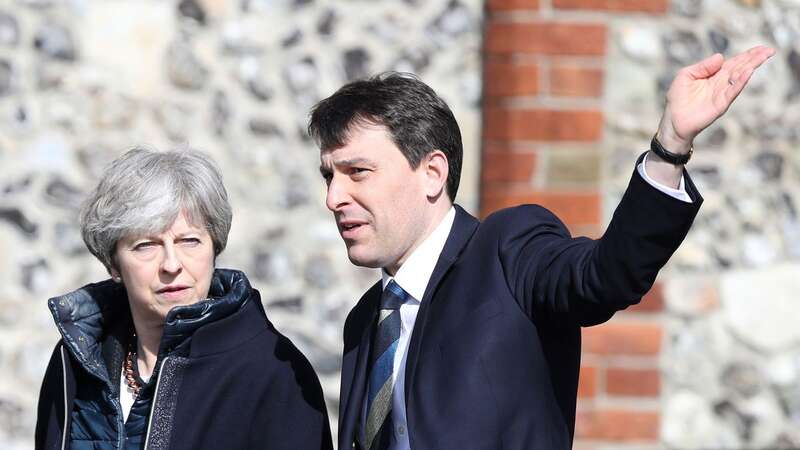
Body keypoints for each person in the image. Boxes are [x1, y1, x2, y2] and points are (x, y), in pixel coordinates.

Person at [309, 46, 775, 450]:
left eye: (358, 172)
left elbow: (606, 276)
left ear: (432, 173)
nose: (334, 198)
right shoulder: (366, 321)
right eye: (330, 176)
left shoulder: (507, 250)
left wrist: (669, 147)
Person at [35, 148, 333, 450]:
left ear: (214, 248)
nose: (172, 264)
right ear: (114, 264)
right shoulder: (75, 361)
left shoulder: (275, 372)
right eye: (145, 245)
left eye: (189, 241)